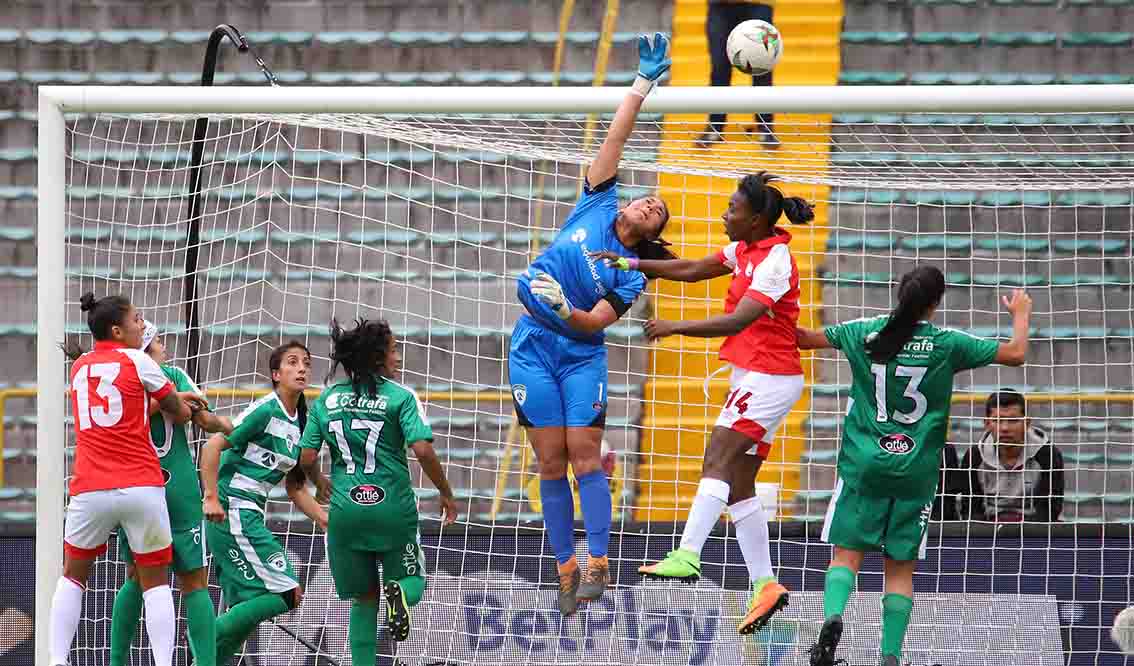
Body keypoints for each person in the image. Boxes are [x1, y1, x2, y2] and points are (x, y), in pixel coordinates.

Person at [594, 171, 814, 634]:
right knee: (737, 483)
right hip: (758, 374)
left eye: (733, 209)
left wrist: (675, 327)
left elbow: (739, 320)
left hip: (769, 377)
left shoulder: (775, 261)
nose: (725, 214)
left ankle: (688, 554)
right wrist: (632, 265)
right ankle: (765, 584)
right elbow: (692, 269)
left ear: (755, 219)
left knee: (717, 456)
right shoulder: (745, 250)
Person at [509, 31, 675, 616]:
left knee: (585, 457)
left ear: (652, 234)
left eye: (655, 211)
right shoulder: (598, 201)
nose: (646, 204)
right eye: (646, 199)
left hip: (580, 352)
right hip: (531, 347)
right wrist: (642, 82)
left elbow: (594, 323)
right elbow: (617, 136)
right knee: (549, 463)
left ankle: (600, 558)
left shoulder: (632, 275)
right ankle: (565, 566)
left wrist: (561, 309)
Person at [794, 266, 1032, 666]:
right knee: (899, 569)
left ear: (899, 293)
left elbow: (803, 339)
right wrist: (1021, 313)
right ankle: (890, 656)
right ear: (935, 303)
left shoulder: (863, 332)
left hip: (864, 464)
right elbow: (1016, 354)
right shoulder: (948, 343)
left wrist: (774, 308)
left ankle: (833, 619)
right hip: (917, 469)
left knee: (847, 554)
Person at [298, 319, 457, 665]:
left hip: (345, 511)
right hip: (391, 507)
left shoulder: (327, 399)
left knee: (363, 599)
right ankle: (399, 593)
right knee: (411, 577)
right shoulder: (399, 397)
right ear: (377, 357)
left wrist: (319, 481)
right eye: (394, 350)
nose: (397, 357)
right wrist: (445, 491)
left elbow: (306, 456)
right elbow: (423, 450)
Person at [50, 293, 198, 666]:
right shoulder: (138, 361)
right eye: (136, 320)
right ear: (117, 329)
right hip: (140, 486)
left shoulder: (79, 366)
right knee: (155, 581)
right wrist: (186, 404)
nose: (142, 325)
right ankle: (164, 663)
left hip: (89, 489)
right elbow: (175, 411)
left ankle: (56, 659)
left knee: (72, 576)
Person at [108, 321, 233, 666]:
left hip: (137, 488)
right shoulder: (172, 377)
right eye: (159, 341)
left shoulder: (118, 382)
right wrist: (223, 423)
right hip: (176, 488)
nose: (164, 347)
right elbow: (205, 421)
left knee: (138, 577)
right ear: (149, 348)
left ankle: (117, 660)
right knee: (194, 581)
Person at [199, 341, 329, 665]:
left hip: (248, 513)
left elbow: (296, 488)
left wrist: (327, 519)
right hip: (232, 512)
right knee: (287, 593)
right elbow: (212, 447)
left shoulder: (302, 424)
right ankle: (203, 639)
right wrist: (212, 498)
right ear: (276, 374)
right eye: (293, 362)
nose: (302, 368)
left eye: (306, 363)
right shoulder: (265, 411)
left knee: (242, 624)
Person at [958, 389, 1064, 523]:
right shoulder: (974, 456)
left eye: (1013, 420)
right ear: (986, 424)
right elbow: (971, 510)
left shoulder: (1047, 454)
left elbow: (1050, 510)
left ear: (1027, 423)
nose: (1005, 428)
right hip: (987, 529)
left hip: (1034, 530)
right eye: (997, 420)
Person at [696, 0, 778, 148]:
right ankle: (715, 126)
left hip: (758, 5)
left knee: (762, 66)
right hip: (720, 6)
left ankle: (766, 127)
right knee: (719, 67)